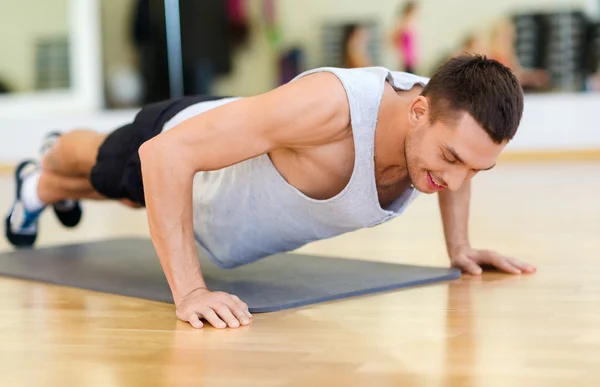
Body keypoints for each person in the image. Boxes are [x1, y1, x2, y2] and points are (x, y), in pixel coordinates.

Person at [4, 54, 537, 330]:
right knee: (106, 167)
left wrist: (460, 247)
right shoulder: (331, 108)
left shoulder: (442, 123)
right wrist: (190, 293)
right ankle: (50, 164)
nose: (456, 179)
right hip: (174, 141)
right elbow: (164, 158)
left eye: (476, 169)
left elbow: (458, 165)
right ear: (417, 112)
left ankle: (44, 188)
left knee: (126, 194)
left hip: (215, 205)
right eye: (450, 159)